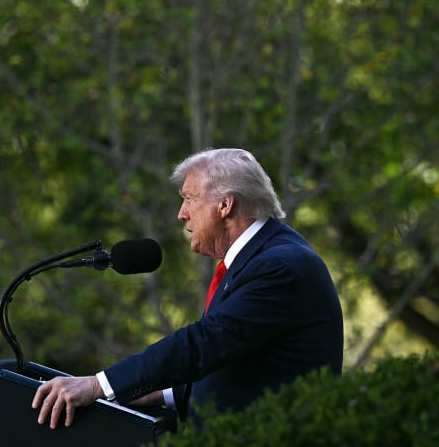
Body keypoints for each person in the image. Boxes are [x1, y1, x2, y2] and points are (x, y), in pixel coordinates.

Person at [32, 147, 344, 428]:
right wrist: (161, 394)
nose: (182, 213)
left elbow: (205, 342)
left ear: (224, 205)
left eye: (189, 198)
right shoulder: (265, 256)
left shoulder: (279, 266)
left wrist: (100, 385)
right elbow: (241, 363)